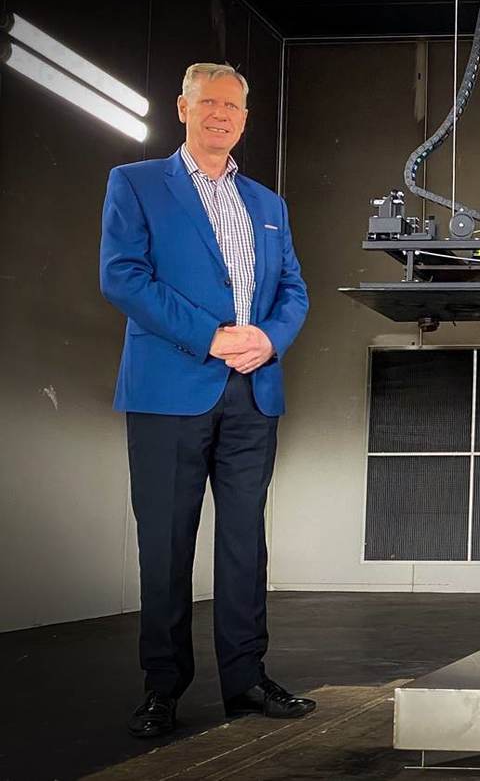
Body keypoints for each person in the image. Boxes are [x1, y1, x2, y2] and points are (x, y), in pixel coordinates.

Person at [100, 62, 313, 738]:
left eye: (233, 107)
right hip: (169, 391)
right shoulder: (134, 185)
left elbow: (294, 293)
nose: (221, 114)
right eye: (208, 103)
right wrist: (214, 338)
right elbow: (122, 277)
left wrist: (269, 342)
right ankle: (162, 689)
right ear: (183, 109)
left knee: (246, 541)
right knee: (165, 544)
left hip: (255, 390)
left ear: (245, 120)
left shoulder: (269, 205)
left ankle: (246, 679)